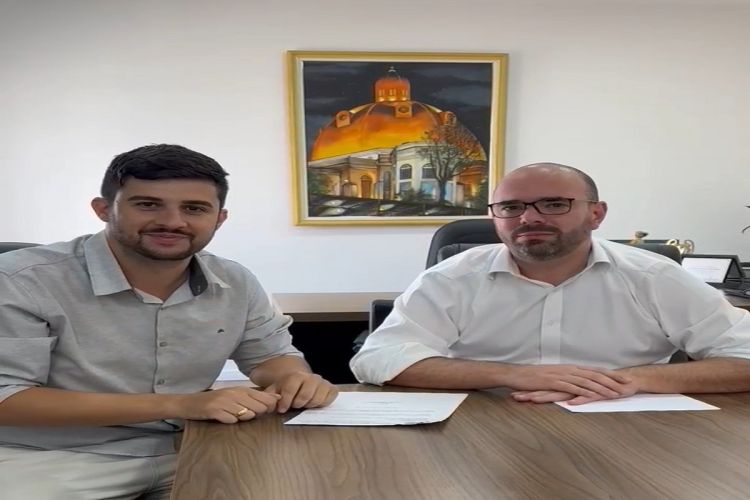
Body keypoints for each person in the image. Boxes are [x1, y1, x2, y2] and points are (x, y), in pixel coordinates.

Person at [0, 144, 338, 499]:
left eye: (194, 208)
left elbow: (270, 356)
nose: (173, 222)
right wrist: (179, 404)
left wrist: (293, 379)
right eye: (148, 204)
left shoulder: (235, 280)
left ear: (219, 218)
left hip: (192, 446)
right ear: (103, 209)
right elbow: (6, 397)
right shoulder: (21, 279)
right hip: (47, 455)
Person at [351, 162, 750, 404]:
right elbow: (379, 359)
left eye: (555, 204)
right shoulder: (454, 278)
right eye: (511, 207)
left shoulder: (653, 277)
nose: (529, 218)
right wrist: (511, 374)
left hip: (624, 427)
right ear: (495, 217)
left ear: (596, 214)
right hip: (481, 428)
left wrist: (627, 380)